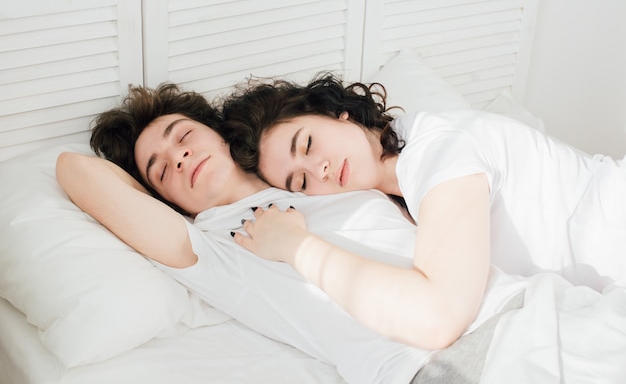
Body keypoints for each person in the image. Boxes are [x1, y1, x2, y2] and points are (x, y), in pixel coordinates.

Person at [55, 83, 526, 384]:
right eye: (160, 170)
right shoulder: (211, 244)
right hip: (440, 363)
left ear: (220, 134)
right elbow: (73, 169)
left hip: (518, 305)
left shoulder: (312, 174)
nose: (177, 158)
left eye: (183, 136)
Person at [221, 73, 626, 306]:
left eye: (308, 144)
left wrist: (296, 247)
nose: (319, 169)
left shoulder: (435, 149)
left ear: (335, 114)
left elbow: (441, 306)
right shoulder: (396, 187)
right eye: (302, 181)